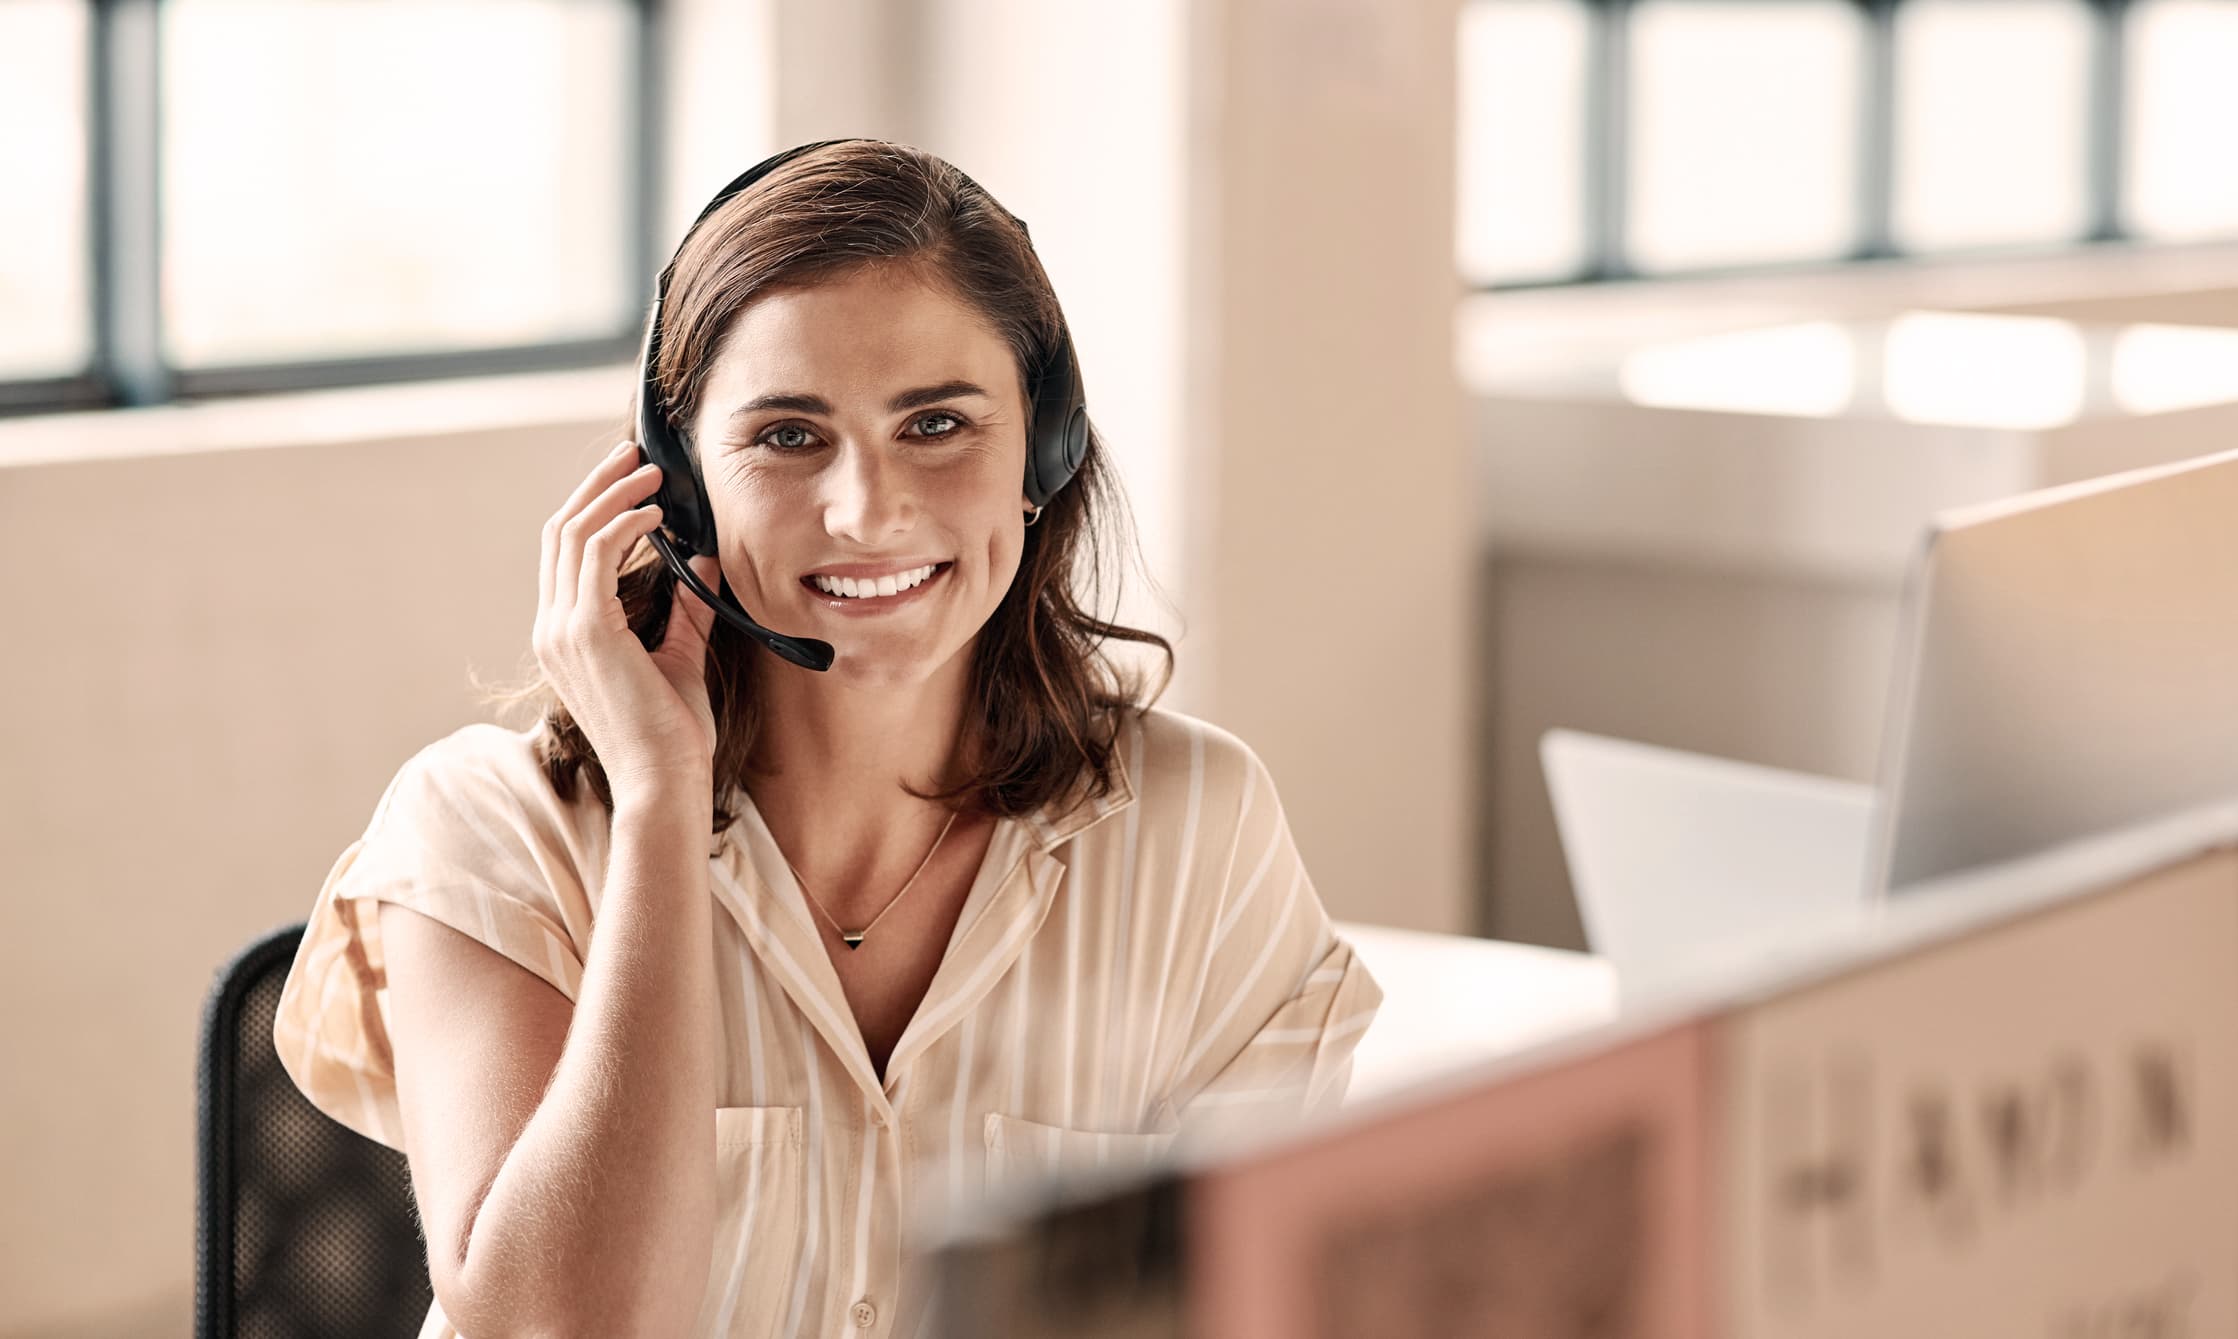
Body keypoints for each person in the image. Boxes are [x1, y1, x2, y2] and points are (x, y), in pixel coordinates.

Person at [271, 138, 1382, 1339]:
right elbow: (560, 1330)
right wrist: (656, 802)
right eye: (789, 436)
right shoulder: (489, 832)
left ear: (1040, 456)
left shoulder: (1195, 831)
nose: (867, 511)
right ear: (680, 484)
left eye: (939, 423)